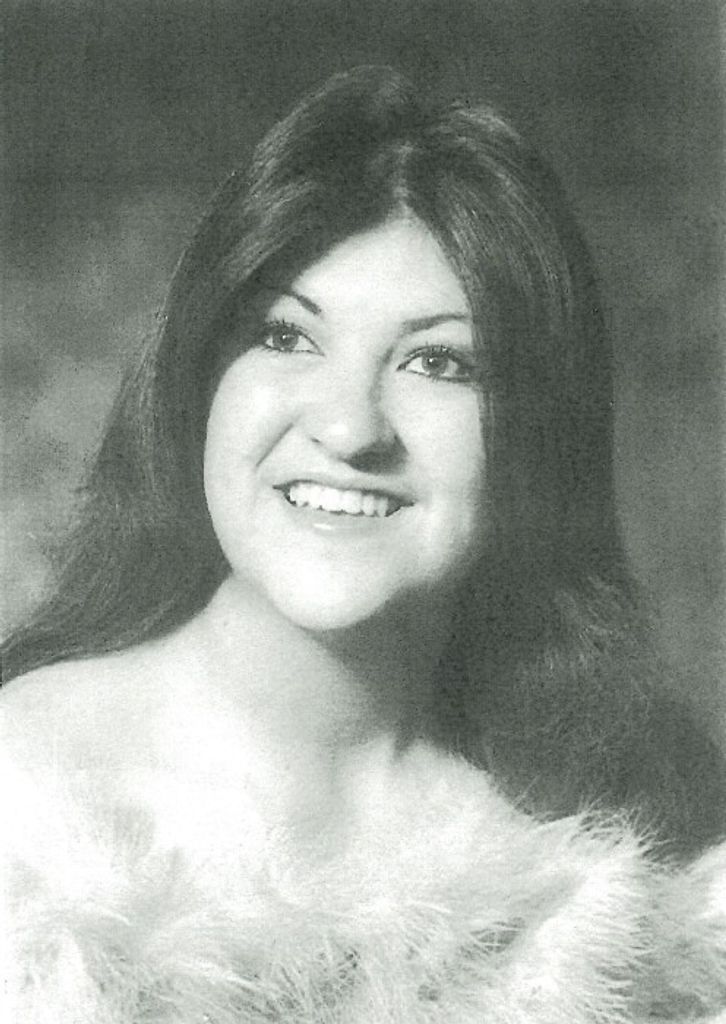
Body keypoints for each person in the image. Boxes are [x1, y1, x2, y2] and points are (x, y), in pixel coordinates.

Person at [1, 66, 725, 1023]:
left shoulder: (638, 877)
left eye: (438, 361)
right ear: (195, 383)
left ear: (539, 434)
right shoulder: (24, 802)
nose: (349, 429)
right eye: (285, 337)